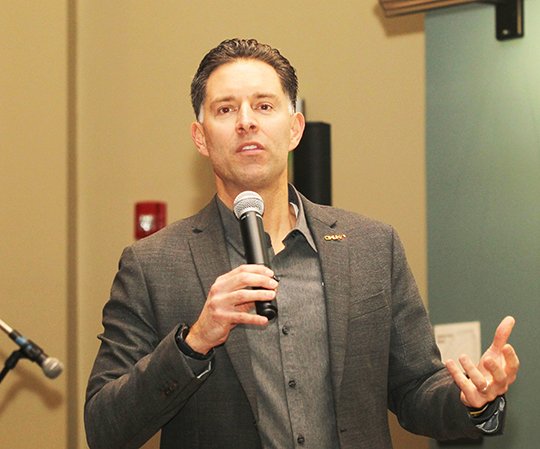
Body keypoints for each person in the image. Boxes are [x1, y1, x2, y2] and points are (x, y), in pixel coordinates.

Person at [84, 38, 519, 449]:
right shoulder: (152, 265)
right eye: (225, 109)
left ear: (294, 130)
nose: (246, 121)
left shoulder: (372, 246)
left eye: (264, 105)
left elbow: (415, 389)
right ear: (201, 137)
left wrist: (472, 398)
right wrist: (194, 342)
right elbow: (105, 427)